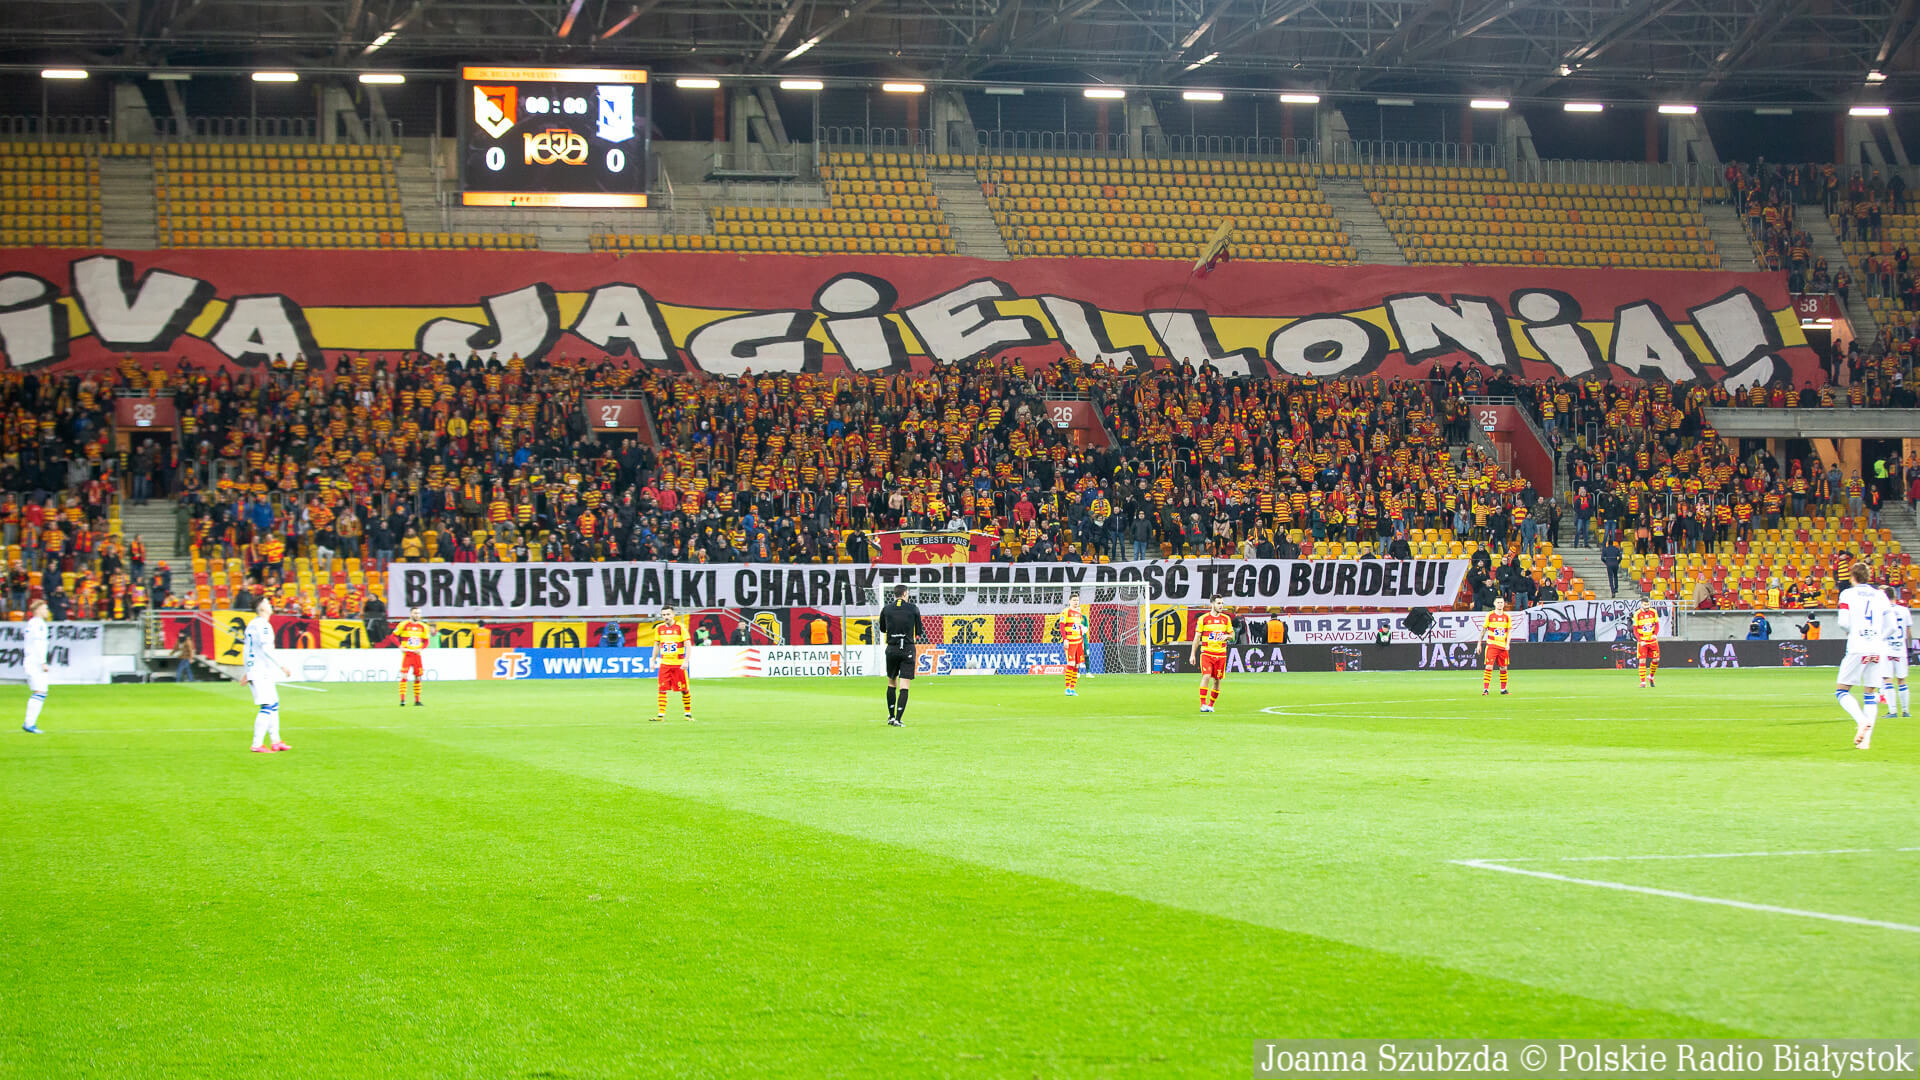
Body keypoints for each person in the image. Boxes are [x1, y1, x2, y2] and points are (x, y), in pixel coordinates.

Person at [1835, 562, 1892, 750]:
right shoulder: (1881, 595)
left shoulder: (1847, 594)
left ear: (1852, 577)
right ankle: (1865, 742)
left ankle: (1861, 720)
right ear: (1868, 576)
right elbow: (1891, 626)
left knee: (1842, 691)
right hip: (1877, 647)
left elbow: (1843, 622)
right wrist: (1877, 637)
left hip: (1857, 646)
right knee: (1870, 694)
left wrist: (1855, 631)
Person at [244, 598, 291, 753]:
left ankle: (275, 741)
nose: (270, 605)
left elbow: (249, 649)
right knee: (268, 705)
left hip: (257, 670)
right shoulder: (263, 625)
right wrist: (282, 665)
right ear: (262, 608)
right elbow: (266, 649)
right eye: (267, 603)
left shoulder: (252, 624)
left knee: (274, 703)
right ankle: (257, 744)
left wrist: (247, 670)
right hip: (260, 671)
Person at [877, 584, 926, 727]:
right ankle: (898, 719)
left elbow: (882, 628)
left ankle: (891, 717)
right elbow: (919, 631)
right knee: (904, 686)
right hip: (907, 649)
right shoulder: (913, 608)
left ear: (895, 594)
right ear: (905, 594)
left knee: (891, 683)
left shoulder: (886, 609)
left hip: (892, 649)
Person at [1190, 596, 1234, 714]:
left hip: (1221, 654)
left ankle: (1211, 705)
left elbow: (1232, 635)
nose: (1221, 606)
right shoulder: (1203, 619)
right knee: (1206, 676)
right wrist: (1192, 654)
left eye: (1222, 603)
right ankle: (1203, 704)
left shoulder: (1226, 619)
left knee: (1217, 680)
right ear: (1212, 604)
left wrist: (1227, 636)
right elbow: (1197, 638)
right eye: (1218, 603)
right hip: (1207, 652)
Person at [653, 606, 692, 722]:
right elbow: (657, 645)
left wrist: (686, 661)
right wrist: (653, 659)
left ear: (673, 614)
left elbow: (688, 645)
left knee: (684, 689)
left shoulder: (680, 627)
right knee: (662, 689)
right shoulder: (659, 628)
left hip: (678, 664)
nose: (666, 617)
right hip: (665, 664)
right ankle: (661, 715)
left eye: (668, 614)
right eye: (664, 615)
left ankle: (688, 714)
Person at [392, 607, 432, 707]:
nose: (417, 615)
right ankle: (402, 700)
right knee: (404, 675)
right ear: (411, 614)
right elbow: (393, 636)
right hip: (408, 654)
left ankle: (417, 700)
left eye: (418, 613)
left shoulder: (424, 626)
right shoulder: (403, 624)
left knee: (418, 677)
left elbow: (427, 641)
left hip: (417, 655)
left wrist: (421, 648)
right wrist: (400, 646)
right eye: (415, 613)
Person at [21, 599, 50, 733]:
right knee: (40, 691)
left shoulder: (32, 623)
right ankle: (29, 723)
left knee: (41, 691)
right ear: (38, 610)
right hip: (35, 662)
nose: (47, 611)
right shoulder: (38, 624)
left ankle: (30, 723)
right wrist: (42, 662)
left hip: (32, 661)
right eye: (44, 608)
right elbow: (38, 644)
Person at [1882, 586, 1911, 719]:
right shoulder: (1904, 610)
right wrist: (1909, 648)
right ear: (1895, 596)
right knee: (1902, 680)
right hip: (1901, 649)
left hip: (1886, 648)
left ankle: (1893, 711)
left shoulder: (1883, 611)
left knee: (1887, 679)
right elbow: (1908, 632)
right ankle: (1905, 711)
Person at [1479, 596, 1514, 695]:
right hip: (1492, 645)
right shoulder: (1490, 615)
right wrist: (1479, 643)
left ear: (1504, 604)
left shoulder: (1507, 617)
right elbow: (1483, 630)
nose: (1500, 604)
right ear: (1494, 604)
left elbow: (1509, 632)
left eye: (1501, 602)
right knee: (1489, 666)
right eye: (1498, 602)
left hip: (1503, 646)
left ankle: (1503, 689)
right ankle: (1486, 689)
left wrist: (1508, 644)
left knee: (1503, 668)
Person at [1056, 593, 1089, 697]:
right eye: (1074, 600)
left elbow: (1079, 629)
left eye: (1077, 600)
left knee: (1077, 665)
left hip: (1079, 642)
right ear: (1070, 601)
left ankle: (1072, 689)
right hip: (1070, 642)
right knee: (1071, 663)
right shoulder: (1065, 612)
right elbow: (1062, 626)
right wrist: (1065, 639)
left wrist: (1082, 642)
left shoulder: (1079, 614)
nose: (1076, 602)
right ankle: (1067, 688)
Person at [1632, 598, 1662, 688]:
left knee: (1656, 659)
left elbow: (1657, 625)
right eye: (1645, 605)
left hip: (1652, 640)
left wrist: (1655, 634)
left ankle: (1651, 676)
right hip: (1643, 641)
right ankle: (1643, 682)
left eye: (1648, 605)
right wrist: (1640, 640)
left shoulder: (1653, 612)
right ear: (1641, 604)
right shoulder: (1637, 614)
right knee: (1642, 660)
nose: (1647, 607)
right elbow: (1635, 629)